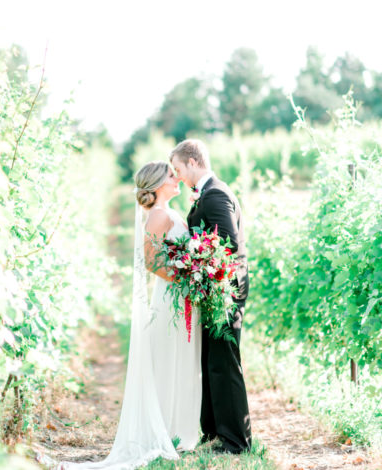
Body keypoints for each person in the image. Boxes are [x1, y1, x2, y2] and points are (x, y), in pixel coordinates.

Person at [57, 161, 202, 469]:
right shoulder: (158, 216)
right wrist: (187, 278)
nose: (176, 178)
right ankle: (164, 430)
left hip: (181, 296)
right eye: (171, 175)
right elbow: (151, 262)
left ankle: (177, 429)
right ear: (158, 183)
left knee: (180, 357)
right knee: (167, 358)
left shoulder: (168, 212)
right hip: (171, 296)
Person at [170, 139, 252, 454]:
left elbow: (227, 243)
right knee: (213, 361)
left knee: (224, 363)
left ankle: (236, 441)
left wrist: (191, 259)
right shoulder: (209, 192)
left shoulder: (215, 194)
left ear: (192, 162)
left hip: (226, 291)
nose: (177, 175)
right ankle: (216, 431)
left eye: (178, 168)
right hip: (217, 289)